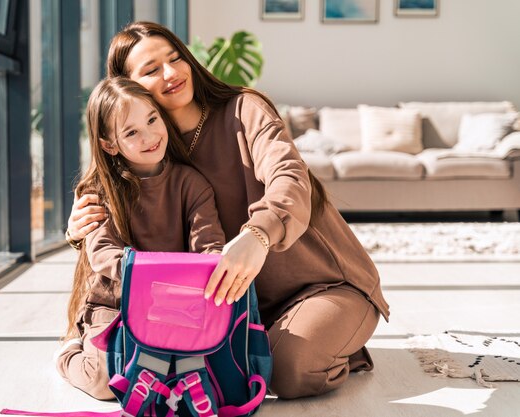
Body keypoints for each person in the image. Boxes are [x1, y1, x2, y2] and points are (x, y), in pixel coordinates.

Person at [66, 21, 390, 399]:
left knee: (288, 369)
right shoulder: (148, 148)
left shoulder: (244, 110)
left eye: (175, 58)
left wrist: (260, 233)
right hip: (237, 307)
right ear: (129, 88)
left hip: (324, 287)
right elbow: (126, 228)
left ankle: (337, 346)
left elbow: (289, 176)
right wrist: (79, 231)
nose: (171, 73)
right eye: (152, 70)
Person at [56, 77, 227, 400]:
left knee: (196, 371)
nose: (149, 136)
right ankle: (68, 353)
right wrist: (156, 275)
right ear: (109, 144)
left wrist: (189, 279)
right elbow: (102, 253)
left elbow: (209, 248)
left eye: (152, 119)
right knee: (107, 382)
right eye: (131, 132)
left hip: (175, 302)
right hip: (113, 302)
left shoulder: (191, 184)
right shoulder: (100, 190)